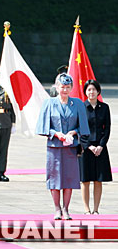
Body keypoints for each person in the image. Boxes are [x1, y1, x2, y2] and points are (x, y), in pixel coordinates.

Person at [35, 73, 89, 220]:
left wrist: (74, 132)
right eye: (62, 87)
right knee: (54, 178)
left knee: (69, 178)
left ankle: (66, 209)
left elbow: (83, 126)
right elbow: (43, 126)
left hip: (70, 147)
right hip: (54, 147)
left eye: (67, 87)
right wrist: (56, 134)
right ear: (57, 87)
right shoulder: (49, 103)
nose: (64, 90)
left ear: (71, 88)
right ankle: (57, 208)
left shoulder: (77, 103)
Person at [79, 79, 112, 214]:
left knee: (98, 180)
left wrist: (101, 145)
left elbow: (107, 128)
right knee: (85, 180)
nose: (91, 92)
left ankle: (96, 209)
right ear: (85, 92)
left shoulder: (104, 108)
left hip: (100, 148)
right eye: (88, 89)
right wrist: (88, 146)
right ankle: (87, 209)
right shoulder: (81, 107)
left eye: (94, 89)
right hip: (85, 148)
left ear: (98, 91)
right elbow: (79, 128)